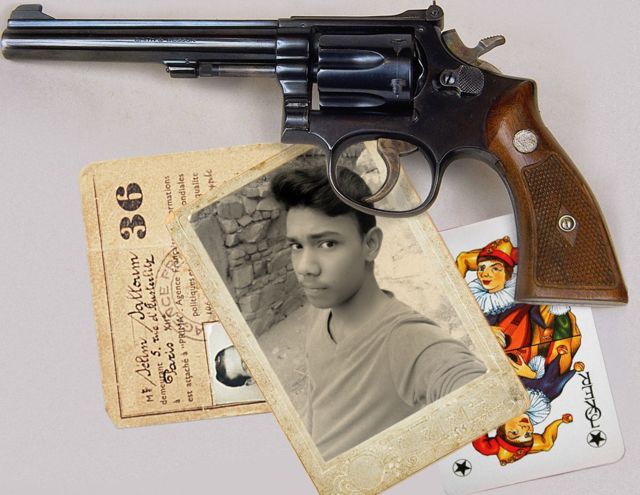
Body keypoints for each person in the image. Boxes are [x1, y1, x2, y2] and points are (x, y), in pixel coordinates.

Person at [270, 165, 487, 460]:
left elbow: (476, 390)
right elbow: (320, 401)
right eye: (297, 245)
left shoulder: (407, 340)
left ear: (370, 244)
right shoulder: (321, 310)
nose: (305, 267)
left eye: (327, 243)